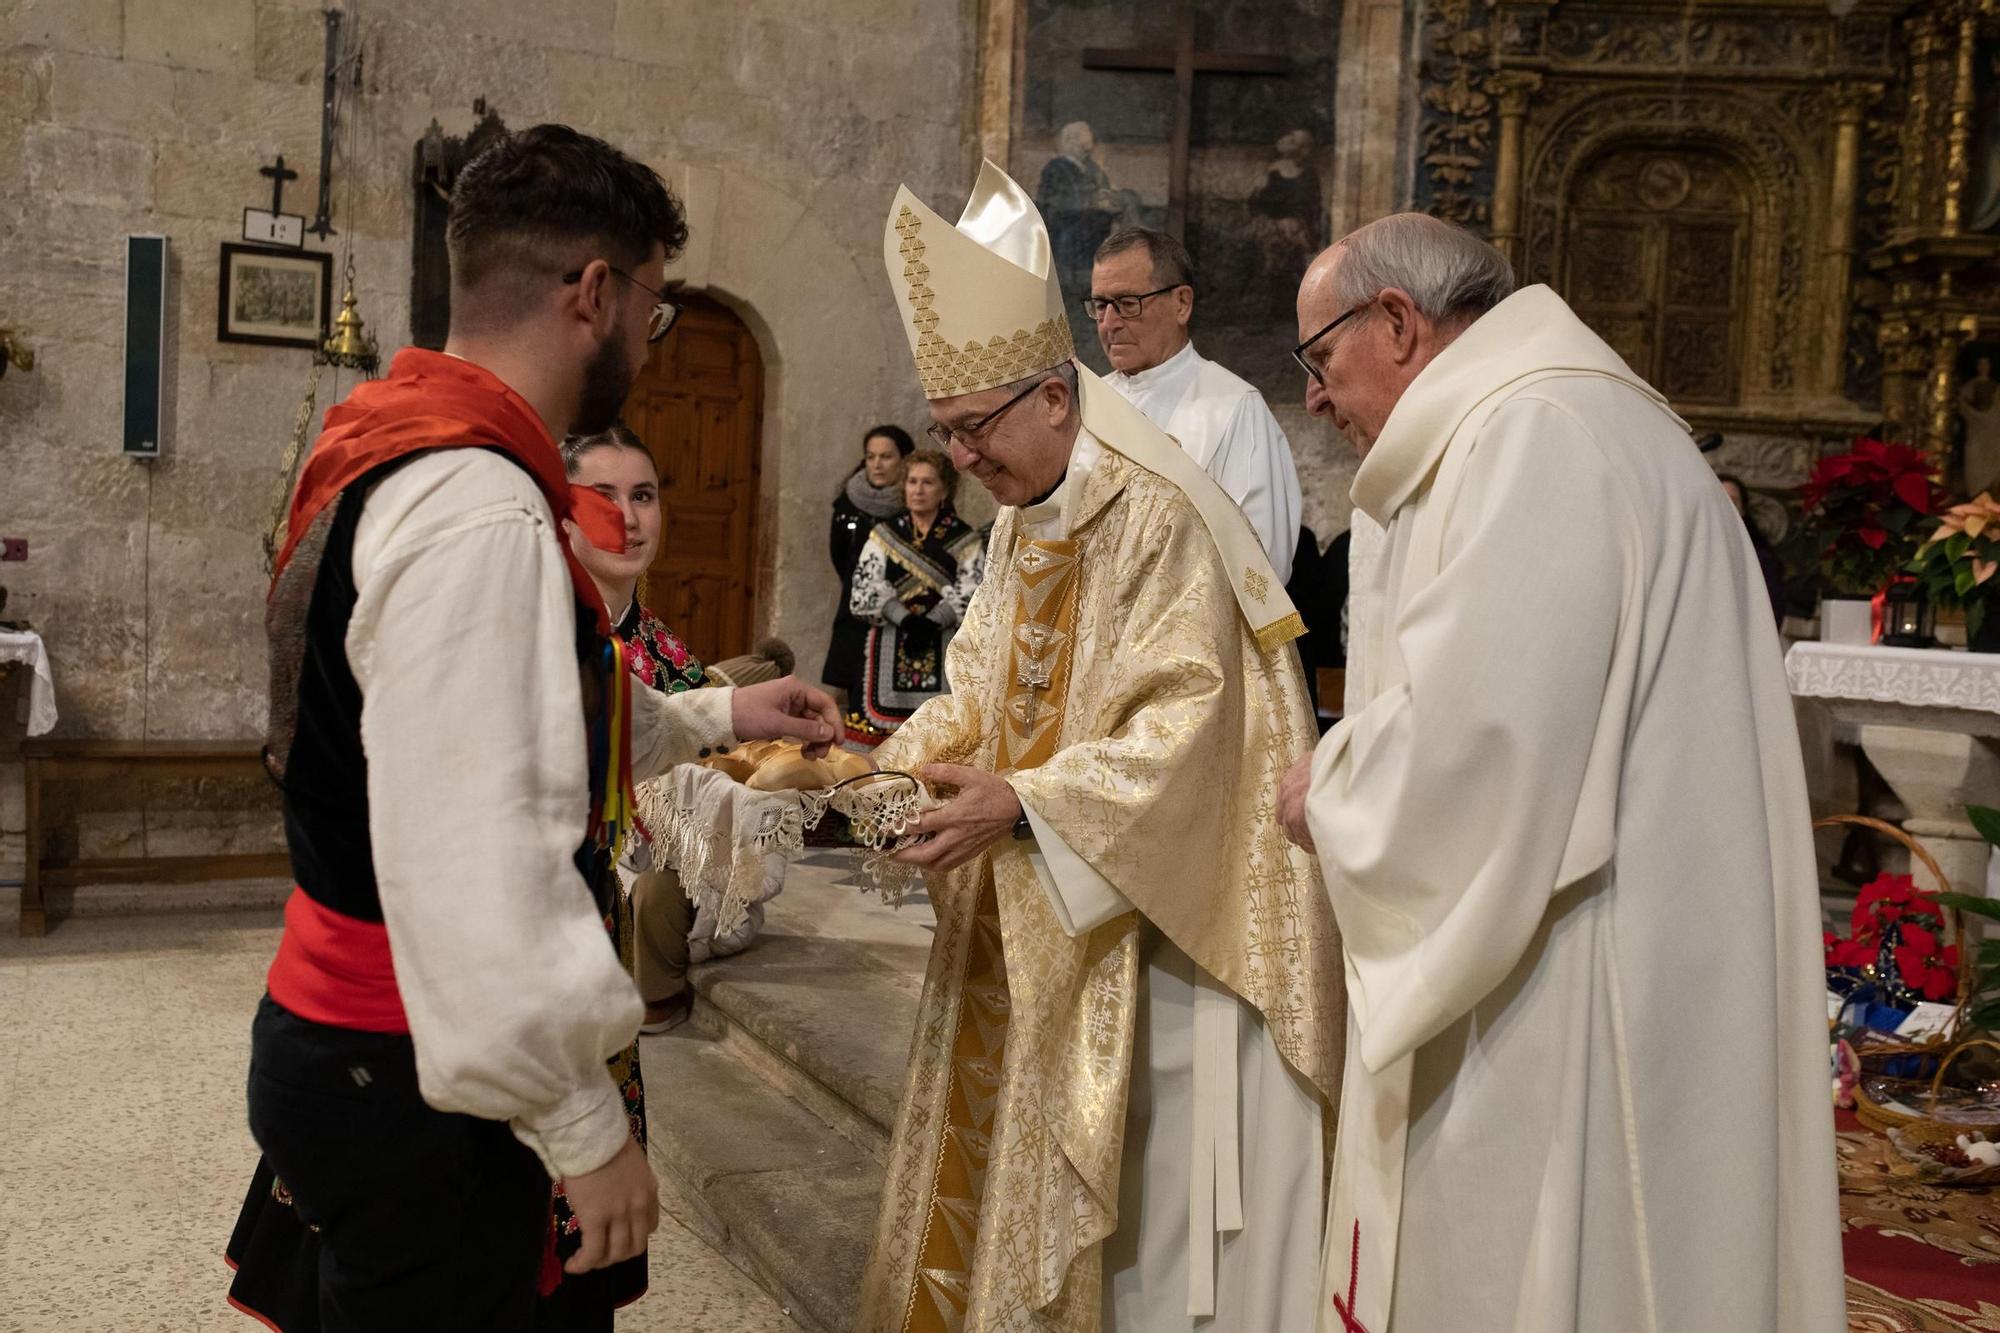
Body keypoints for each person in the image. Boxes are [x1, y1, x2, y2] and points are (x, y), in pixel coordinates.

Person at [226, 123, 840, 1333]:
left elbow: (510, 715)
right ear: (595, 291)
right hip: (414, 1058)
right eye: (654, 310)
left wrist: (714, 712)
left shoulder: (395, 441)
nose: (647, 348)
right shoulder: (480, 508)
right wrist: (581, 1124)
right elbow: (474, 858)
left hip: (368, 1028)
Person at [1273, 213, 1843, 1332]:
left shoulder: (1535, 434)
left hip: (1579, 967)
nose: (1313, 397)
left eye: (1317, 356)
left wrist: (1328, 788)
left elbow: (1480, 747)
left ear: (1394, 321)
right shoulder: (1563, 416)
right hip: (1632, 932)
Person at [856, 161, 1343, 1333]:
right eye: (943, 435)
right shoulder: (1032, 516)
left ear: (1054, 399)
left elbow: (1190, 728)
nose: (960, 460)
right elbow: (977, 686)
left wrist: (1022, 804)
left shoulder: (1164, 511)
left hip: (1159, 927)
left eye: (975, 429)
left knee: (1145, 1235)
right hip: (1044, 902)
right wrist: (866, 775)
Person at [1091, 226, 1302, 582]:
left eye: (1127, 304)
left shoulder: (1234, 409)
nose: (1109, 323)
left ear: (1181, 303)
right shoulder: (1086, 403)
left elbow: (1261, 562)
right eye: (1100, 306)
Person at [846, 449, 984, 734]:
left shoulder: (963, 537)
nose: (918, 490)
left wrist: (932, 622)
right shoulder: (884, 535)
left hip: (944, 641)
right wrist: (906, 619)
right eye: (912, 481)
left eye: (928, 482)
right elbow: (864, 588)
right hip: (890, 641)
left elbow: (975, 591)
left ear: (944, 489)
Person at [825, 425, 912, 710]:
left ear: (904, 460)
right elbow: (839, 555)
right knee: (854, 699)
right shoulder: (848, 502)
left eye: (886, 456)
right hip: (855, 615)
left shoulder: (919, 501)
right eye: (871, 456)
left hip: (903, 618)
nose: (877, 464)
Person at [1718, 473, 1785, 628]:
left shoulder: (1761, 559)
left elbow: (1772, 614)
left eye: (1733, 501)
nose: (1726, 507)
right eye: (1720, 500)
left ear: (1743, 510)